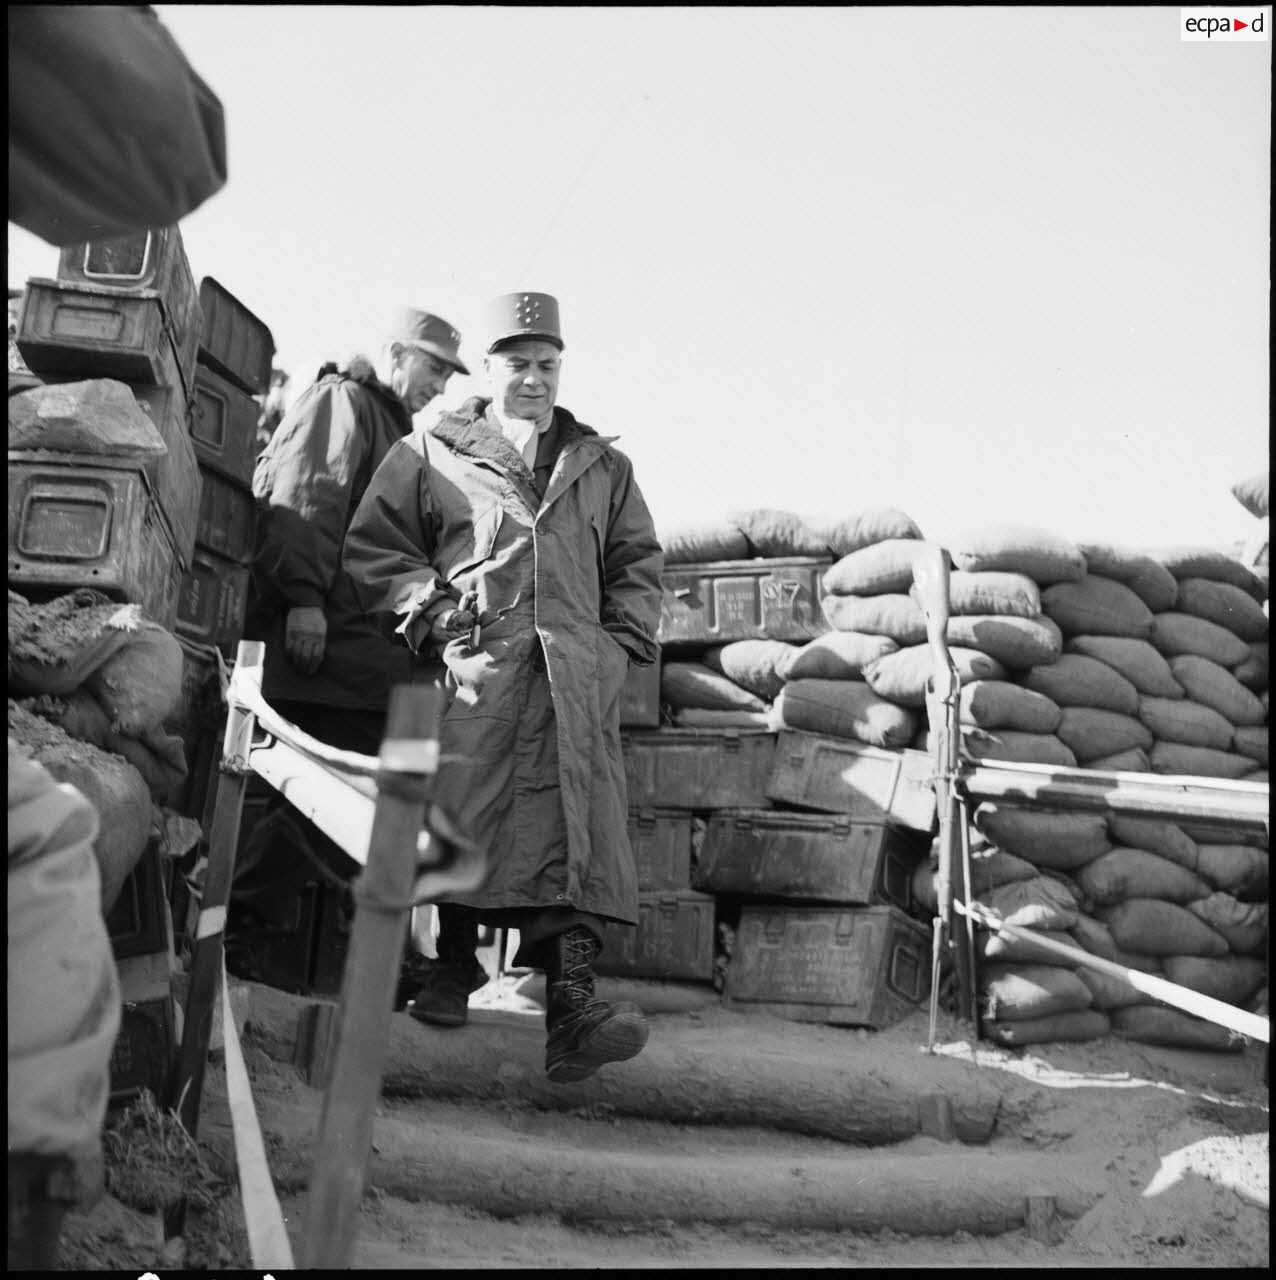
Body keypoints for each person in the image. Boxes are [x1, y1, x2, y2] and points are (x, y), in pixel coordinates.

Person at [343, 291, 665, 1084]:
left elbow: (637, 568)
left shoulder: (603, 466)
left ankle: (573, 1010)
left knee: (572, 834)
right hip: (479, 676)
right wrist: (441, 620)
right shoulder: (431, 451)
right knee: (466, 817)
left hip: (571, 686)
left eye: (547, 365)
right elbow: (377, 549)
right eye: (518, 364)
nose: (534, 379)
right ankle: (452, 972)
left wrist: (615, 650)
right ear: (487, 371)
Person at [238, 307, 468, 1004]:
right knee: (320, 809)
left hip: (364, 662)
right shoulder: (347, 402)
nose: (440, 386)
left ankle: (375, 958)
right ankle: (235, 925)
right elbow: (305, 497)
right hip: (326, 654)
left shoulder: (392, 426)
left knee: (365, 814)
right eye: (432, 368)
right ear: (396, 354)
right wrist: (304, 598)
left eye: (448, 374)